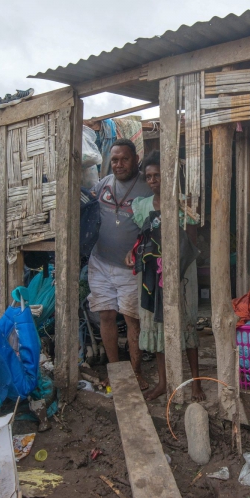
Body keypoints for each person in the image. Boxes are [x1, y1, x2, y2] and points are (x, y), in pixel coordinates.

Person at [126, 151, 205, 402]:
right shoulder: (142, 206)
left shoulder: (184, 203)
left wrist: (173, 264)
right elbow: (143, 238)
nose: (153, 180)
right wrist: (134, 251)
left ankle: (195, 383)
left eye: (158, 175)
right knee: (158, 324)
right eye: (149, 176)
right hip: (151, 273)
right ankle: (163, 382)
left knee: (186, 321)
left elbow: (191, 241)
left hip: (182, 271)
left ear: (169, 175)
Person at [88, 139, 153, 390]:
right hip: (101, 262)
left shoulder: (146, 189)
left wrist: (138, 249)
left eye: (124, 159)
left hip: (130, 268)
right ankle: (115, 370)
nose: (119, 164)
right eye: (114, 159)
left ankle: (136, 372)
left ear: (136, 159)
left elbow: (153, 229)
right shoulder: (104, 184)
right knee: (105, 315)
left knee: (131, 319)